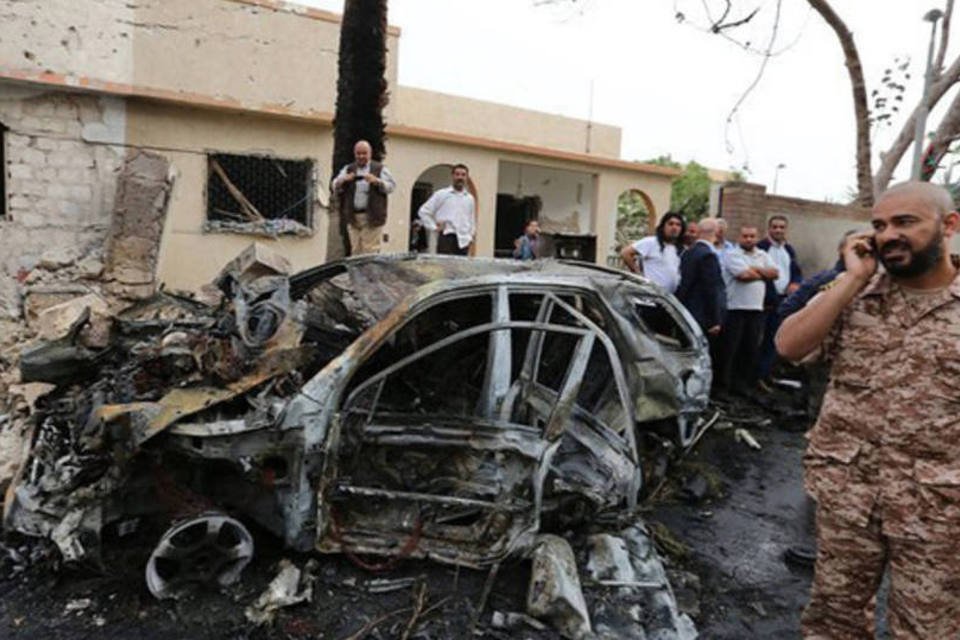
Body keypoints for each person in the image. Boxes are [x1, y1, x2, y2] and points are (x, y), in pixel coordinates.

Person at [776, 181, 960, 639]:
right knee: (833, 618)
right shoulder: (853, 293)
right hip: (848, 498)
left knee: (927, 628)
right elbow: (788, 345)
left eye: (905, 222)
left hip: (936, 513)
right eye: (879, 225)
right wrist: (853, 278)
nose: (888, 235)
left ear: (950, 225)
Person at [719, 225, 778, 395]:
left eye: (752, 236)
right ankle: (724, 386)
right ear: (739, 237)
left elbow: (775, 273)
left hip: (756, 308)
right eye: (745, 236)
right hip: (735, 308)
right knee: (730, 349)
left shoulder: (762, 254)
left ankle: (742, 385)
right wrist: (762, 272)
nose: (749, 239)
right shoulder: (732, 255)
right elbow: (743, 276)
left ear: (757, 237)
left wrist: (755, 270)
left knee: (750, 348)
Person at [757, 214, 803, 385]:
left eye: (781, 227)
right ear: (768, 229)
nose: (778, 230)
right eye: (775, 227)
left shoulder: (789, 249)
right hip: (765, 301)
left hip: (784, 300)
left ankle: (766, 374)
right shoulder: (761, 248)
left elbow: (796, 271)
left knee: (774, 339)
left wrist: (795, 283)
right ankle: (754, 376)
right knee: (758, 339)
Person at [332, 140, 396, 255]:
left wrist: (376, 181)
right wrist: (343, 180)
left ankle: (369, 273)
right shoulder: (348, 169)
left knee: (369, 251)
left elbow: (391, 187)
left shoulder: (380, 169)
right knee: (355, 250)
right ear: (354, 154)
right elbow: (334, 185)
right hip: (353, 216)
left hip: (372, 216)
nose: (361, 156)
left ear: (370, 154)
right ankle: (358, 273)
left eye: (364, 153)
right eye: (358, 153)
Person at [675, 217, 725, 340]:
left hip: (686, 311)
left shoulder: (688, 252)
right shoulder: (708, 256)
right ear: (717, 232)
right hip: (702, 314)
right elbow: (711, 289)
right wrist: (715, 320)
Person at [418, 164, 476, 256]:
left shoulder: (469, 198)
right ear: (452, 176)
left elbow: (471, 219)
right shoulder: (442, 194)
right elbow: (423, 211)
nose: (460, 177)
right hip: (446, 237)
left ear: (467, 177)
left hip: (464, 240)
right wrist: (434, 227)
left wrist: (471, 236)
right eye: (457, 174)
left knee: (461, 269)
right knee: (446, 268)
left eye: (463, 175)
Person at [620, 212, 685, 293]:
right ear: (663, 226)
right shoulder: (651, 242)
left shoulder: (680, 249)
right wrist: (638, 275)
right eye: (670, 224)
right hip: (650, 296)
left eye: (678, 225)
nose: (674, 227)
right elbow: (625, 253)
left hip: (669, 299)